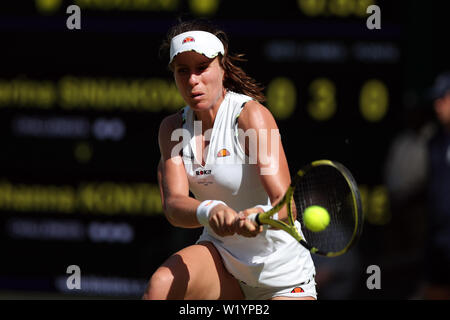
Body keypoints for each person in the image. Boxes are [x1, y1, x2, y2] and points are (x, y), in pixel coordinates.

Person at [142, 19, 317, 300]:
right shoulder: (172, 129)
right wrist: (209, 210)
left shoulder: (250, 116)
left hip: (282, 275)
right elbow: (174, 205)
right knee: (160, 287)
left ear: (222, 67)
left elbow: (287, 206)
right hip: (222, 261)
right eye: (182, 71)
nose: (192, 80)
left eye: (202, 68)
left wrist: (256, 216)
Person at [422, 71, 450, 299]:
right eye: (435, 99)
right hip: (438, 241)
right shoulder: (434, 142)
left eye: (443, 98)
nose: (437, 104)